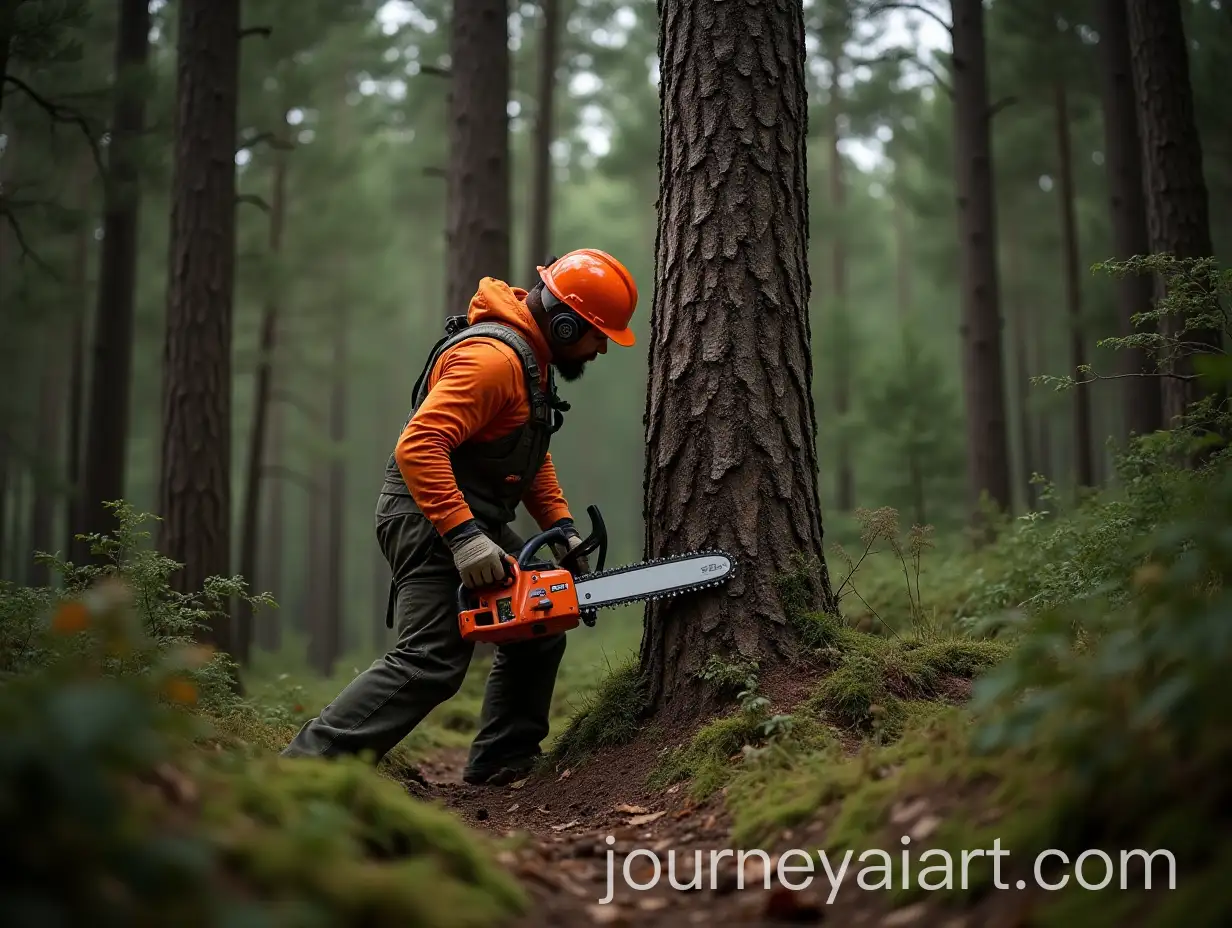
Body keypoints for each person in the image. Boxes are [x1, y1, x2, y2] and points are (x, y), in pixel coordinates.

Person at [281, 249, 639, 786]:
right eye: (597, 334)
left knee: (539, 623)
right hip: (427, 513)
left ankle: (503, 759)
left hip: (473, 517)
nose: (602, 347)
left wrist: (560, 528)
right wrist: (465, 539)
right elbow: (419, 446)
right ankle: (302, 771)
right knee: (431, 658)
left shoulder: (530, 362)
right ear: (566, 324)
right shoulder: (494, 361)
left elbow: (530, 452)